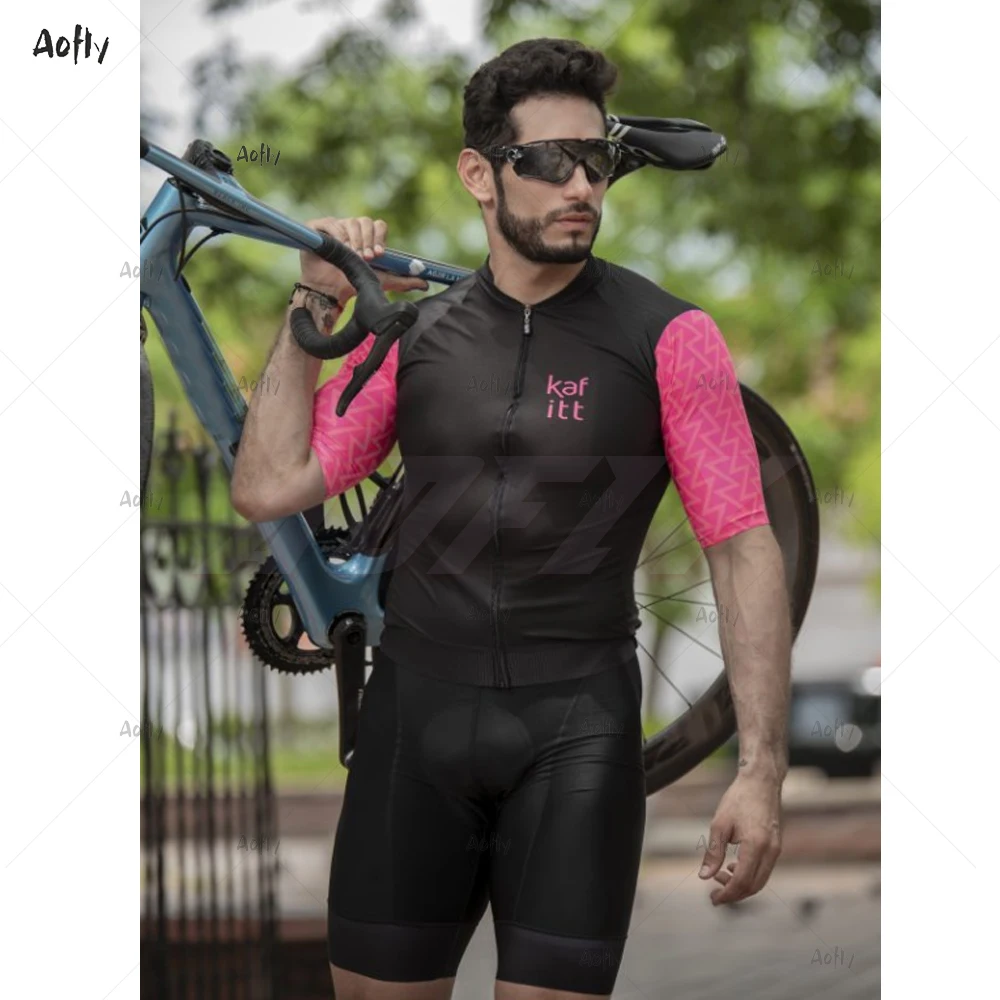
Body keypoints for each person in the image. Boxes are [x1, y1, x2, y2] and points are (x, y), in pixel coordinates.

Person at [231, 36, 791, 1000]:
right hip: (415, 725)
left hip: (577, 733)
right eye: (549, 161)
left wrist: (763, 771)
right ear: (479, 175)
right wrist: (312, 305)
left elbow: (742, 549)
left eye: (596, 160)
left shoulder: (670, 338)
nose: (581, 186)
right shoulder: (414, 335)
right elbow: (270, 483)